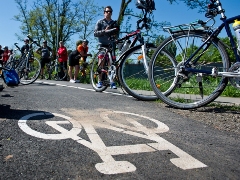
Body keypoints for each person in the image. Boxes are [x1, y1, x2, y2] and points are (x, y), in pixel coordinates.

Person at [94, 5, 119, 89]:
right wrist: (104, 31)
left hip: (111, 45)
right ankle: (99, 81)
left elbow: (116, 34)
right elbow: (95, 33)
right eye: (107, 11)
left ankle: (112, 81)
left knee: (111, 63)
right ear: (104, 13)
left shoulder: (114, 23)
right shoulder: (100, 22)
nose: (109, 13)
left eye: (110, 11)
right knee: (101, 59)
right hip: (102, 45)